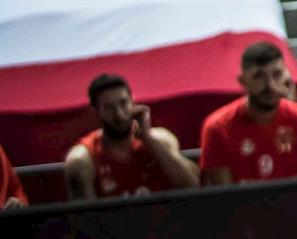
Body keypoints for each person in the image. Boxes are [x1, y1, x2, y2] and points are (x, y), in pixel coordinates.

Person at [198, 41, 297, 184]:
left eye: (277, 74)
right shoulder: (217, 127)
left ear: (286, 75)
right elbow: (224, 197)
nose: (270, 85)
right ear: (242, 81)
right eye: (259, 76)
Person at [64, 74, 199, 198]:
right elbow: (86, 220)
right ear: (96, 111)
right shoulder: (82, 159)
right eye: (109, 107)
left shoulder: (161, 140)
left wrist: (149, 139)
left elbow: (193, 186)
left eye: (123, 103)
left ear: (133, 101)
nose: (119, 114)